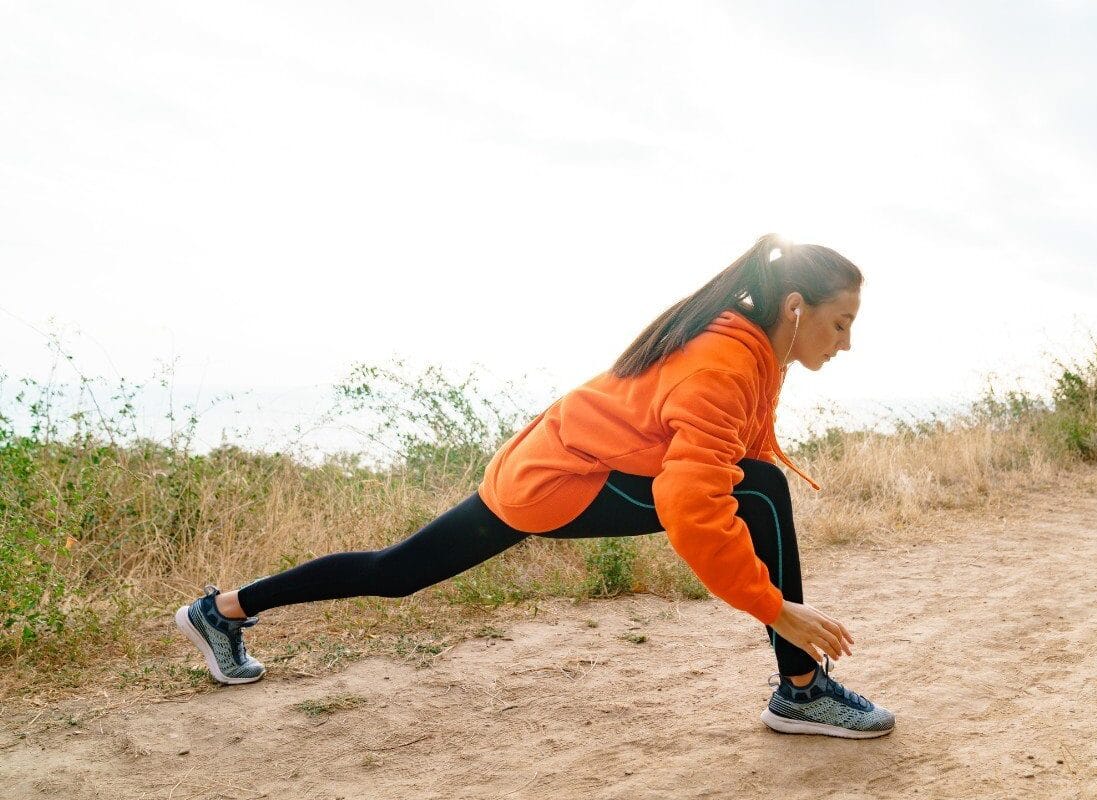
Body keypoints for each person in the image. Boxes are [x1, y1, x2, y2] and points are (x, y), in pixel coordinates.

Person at [174, 233, 894, 740]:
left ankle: (223, 610)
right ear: (795, 307)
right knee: (759, 490)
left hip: (550, 469)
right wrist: (778, 609)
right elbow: (690, 502)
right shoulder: (725, 361)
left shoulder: (749, 351)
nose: (848, 343)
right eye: (842, 323)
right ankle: (802, 691)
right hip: (560, 481)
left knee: (396, 572)